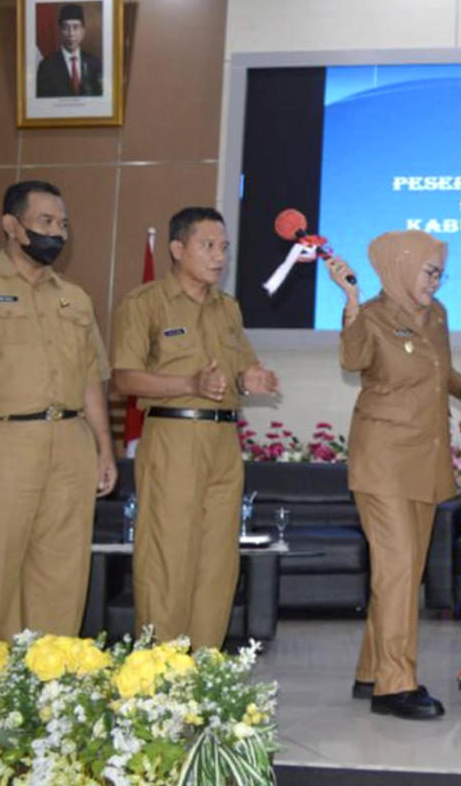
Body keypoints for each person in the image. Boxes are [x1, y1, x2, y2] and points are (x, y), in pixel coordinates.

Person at [111, 207, 279, 650]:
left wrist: (251, 379)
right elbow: (124, 378)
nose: (219, 255)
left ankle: (204, 669)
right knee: (169, 555)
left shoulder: (228, 308)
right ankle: (162, 673)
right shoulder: (145, 303)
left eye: (224, 246)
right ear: (177, 249)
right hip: (174, 436)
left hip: (223, 440)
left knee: (218, 560)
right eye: (208, 245)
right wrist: (188, 383)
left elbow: (241, 368)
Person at [326, 230, 461, 720]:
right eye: (430, 271)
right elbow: (353, 358)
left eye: (439, 272)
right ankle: (395, 685)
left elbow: (442, 374)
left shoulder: (438, 316)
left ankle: (371, 671)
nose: (436, 280)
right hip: (384, 461)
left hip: (426, 462)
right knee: (400, 569)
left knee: (398, 574)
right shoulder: (371, 315)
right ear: (402, 267)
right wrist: (348, 302)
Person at [0, 180, 117, 642]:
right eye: (46, 222)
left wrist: (104, 450)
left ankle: (48, 685)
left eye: (64, 224)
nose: (58, 232)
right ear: (12, 226)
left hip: (70, 444)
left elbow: (90, 377)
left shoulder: (74, 297)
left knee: (63, 568)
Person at [36, 4, 104, 98]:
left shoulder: (95, 63)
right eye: (66, 27)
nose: (71, 33)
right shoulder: (46, 66)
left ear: (83, 31)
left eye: (76, 27)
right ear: (59, 30)